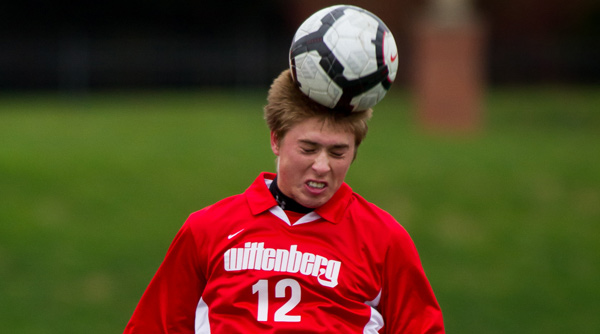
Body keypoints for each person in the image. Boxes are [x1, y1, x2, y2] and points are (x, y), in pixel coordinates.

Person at [123, 69, 444, 333]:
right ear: (276, 139)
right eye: (308, 148)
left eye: (338, 152)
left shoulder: (383, 239)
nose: (322, 165)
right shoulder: (207, 229)